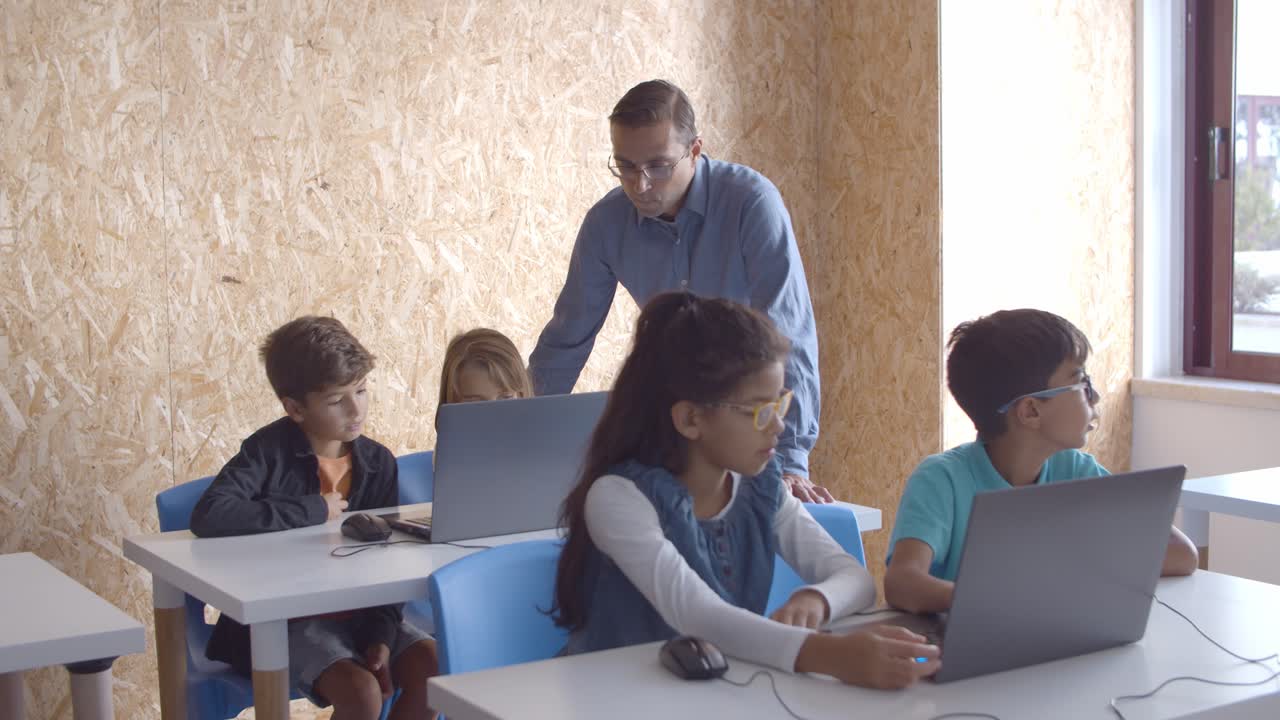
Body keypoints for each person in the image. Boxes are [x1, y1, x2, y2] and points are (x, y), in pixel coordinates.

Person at [552, 292, 940, 689]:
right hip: (611, 698)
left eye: (780, 404)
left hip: (711, 693)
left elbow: (856, 579)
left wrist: (816, 600)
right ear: (690, 418)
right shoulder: (617, 496)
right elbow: (699, 614)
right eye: (759, 411)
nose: (778, 426)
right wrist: (829, 654)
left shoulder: (761, 487)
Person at [529, 79, 832, 503]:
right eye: (626, 166)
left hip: (749, 427)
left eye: (658, 165)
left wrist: (790, 460)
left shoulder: (751, 203)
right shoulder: (606, 223)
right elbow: (566, 341)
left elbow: (789, 335)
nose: (641, 185)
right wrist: (518, 439)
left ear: (694, 150)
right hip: (669, 431)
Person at [190, 316, 439, 720]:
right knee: (362, 694)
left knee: (432, 666)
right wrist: (313, 509)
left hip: (360, 613)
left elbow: (386, 562)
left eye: (361, 390)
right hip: (283, 620)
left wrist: (380, 633)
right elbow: (211, 514)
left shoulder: (377, 462)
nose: (356, 409)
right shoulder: (266, 451)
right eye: (337, 400)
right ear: (295, 408)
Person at [884, 309, 1199, 614]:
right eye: (1081, 384)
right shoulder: (942, 480)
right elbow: (902, 583)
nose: (1095, 397)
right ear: (1031, 411)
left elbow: (1181, 554)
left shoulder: (1078, 471)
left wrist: (1062, 576)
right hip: (970, 643)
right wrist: (996, 601)